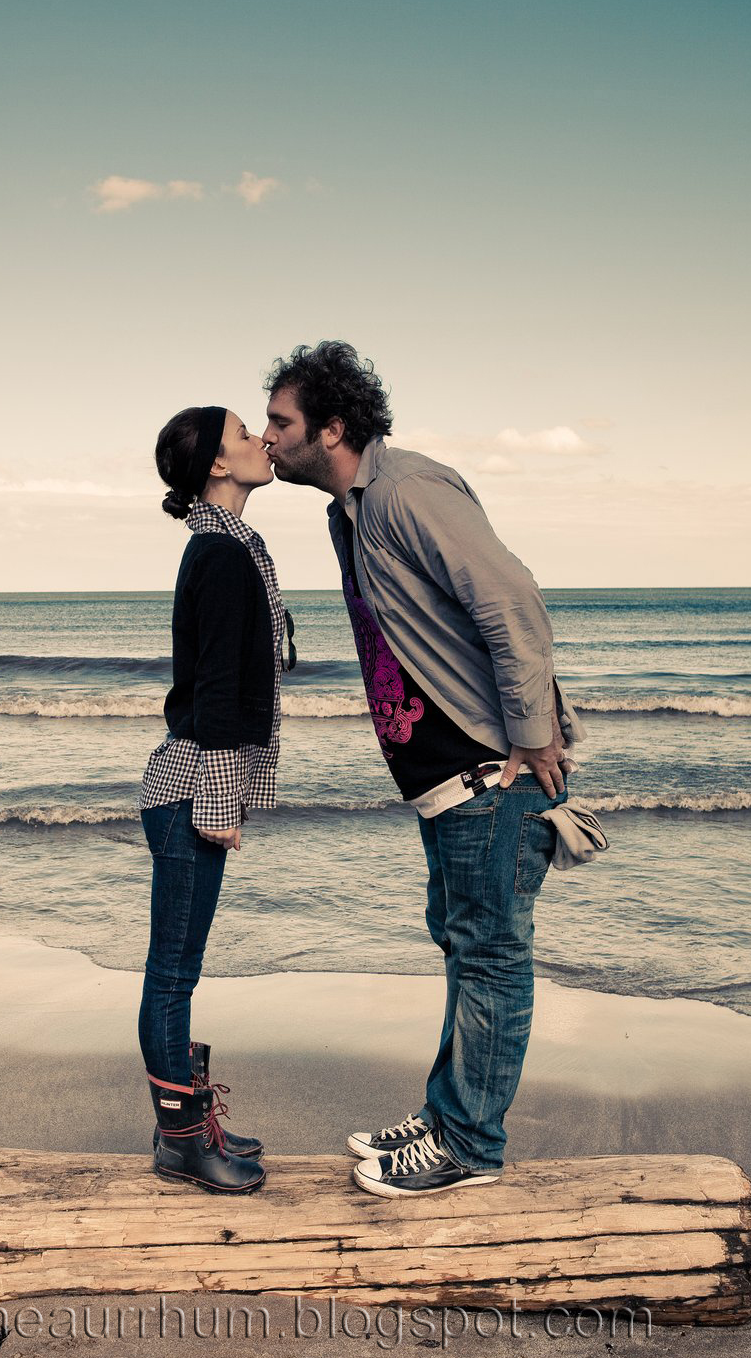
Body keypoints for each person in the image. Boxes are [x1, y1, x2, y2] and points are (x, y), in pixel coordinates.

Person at [263, 343, 584, 1197]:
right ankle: (449, 1113)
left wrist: (534, 734)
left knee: (489, 958)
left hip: (492, 772)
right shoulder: (353, 511)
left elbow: (508, 597)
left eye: (281, 423)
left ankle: (470, 1145)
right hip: (448, 779)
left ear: (331, 427)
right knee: (463, 946)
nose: (267, 439)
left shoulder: (405, 490)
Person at [139, 404, 292, 1194]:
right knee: (172, 975)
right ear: (216, 466)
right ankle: (182, 1144)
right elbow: (220, 693)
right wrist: (221, 804)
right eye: (243, 434)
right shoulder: (224, 555)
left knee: (181, 971)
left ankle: (195, 1124)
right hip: (193, 784)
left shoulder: (228, 547)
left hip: (192, 779)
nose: (262, 441)